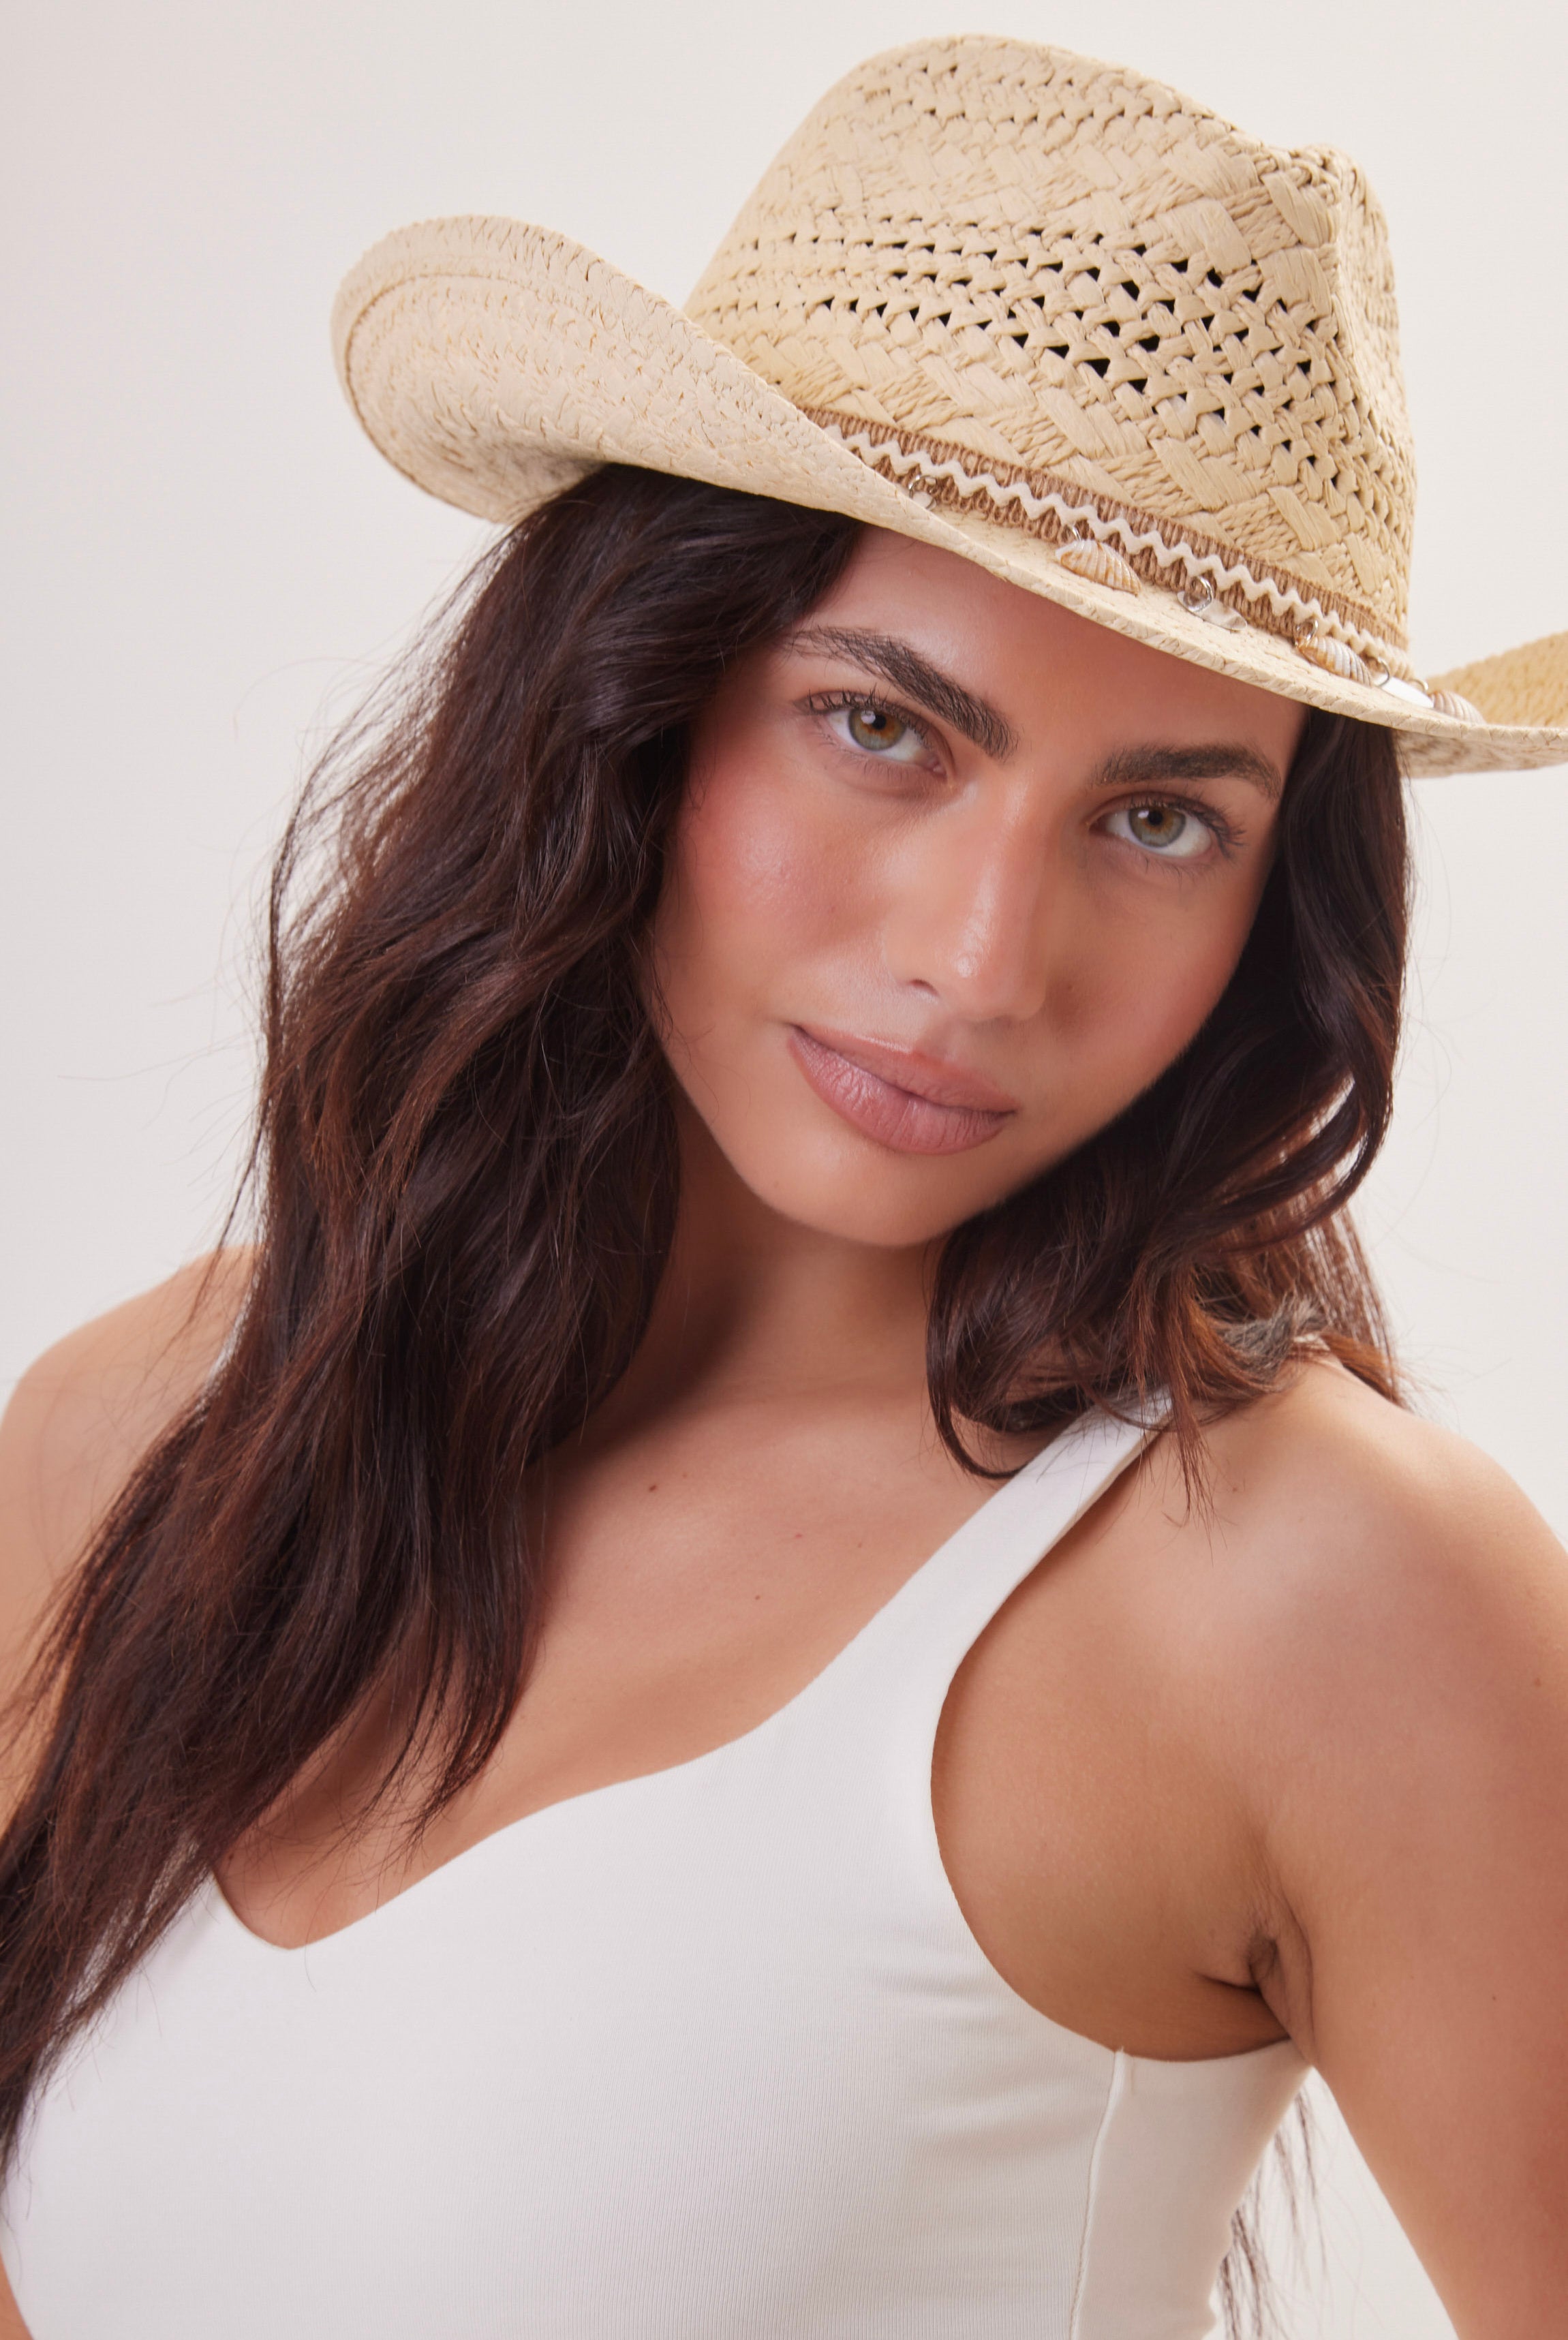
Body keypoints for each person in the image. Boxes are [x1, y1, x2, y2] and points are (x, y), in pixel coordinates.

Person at [1, 33, 1565, 2340]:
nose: (978, 957)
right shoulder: (140, 1432)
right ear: (638, 696)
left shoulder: (1318, 1592)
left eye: (1163, 816)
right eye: (883, 723)